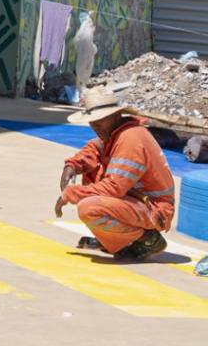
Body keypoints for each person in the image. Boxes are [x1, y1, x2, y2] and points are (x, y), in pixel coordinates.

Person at [55, 87, 174, 260]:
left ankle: (147, 239)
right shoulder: (116, 133)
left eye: (100, 120)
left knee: (89, 208)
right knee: (92, 171)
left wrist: (71, 193)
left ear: (115, 116)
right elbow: (94, 149)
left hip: (154, 209)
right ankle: (118, 239)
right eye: (92, 121)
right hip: (137, 201)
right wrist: (72, 165)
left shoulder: (130, 139)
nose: (94, 125)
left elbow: (113, 188)